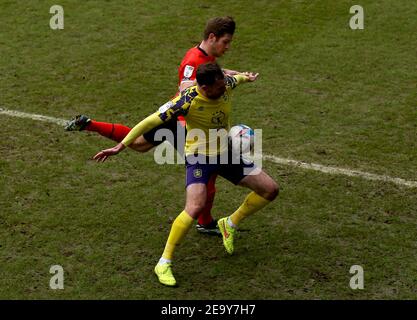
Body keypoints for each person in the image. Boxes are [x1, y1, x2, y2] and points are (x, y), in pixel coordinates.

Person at [93, 62, 279, 287]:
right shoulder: (186, 101)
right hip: (200, 157)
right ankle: (164, 262)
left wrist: (246, 77)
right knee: (195, 207)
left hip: (226, 153)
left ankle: (229, 223)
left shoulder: (225, 84)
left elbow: (236, 79)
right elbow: (149, 121)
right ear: (205, 87)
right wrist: (121, 146)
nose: (224, 90)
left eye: (224, 84)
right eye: (219, 87)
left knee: (270, 189)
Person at [66, 16, 252, 235]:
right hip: (183, 121)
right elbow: (185, 87)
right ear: (212, 37)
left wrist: (234, 74)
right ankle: (206, 222)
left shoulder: (205, 56)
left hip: (173, 116)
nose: (228, 47)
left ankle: (89, 124)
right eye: (225, 42)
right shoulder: (194, 60)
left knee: (139, 145)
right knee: (208, 171)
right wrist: (222, 79)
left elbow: (209, 72)